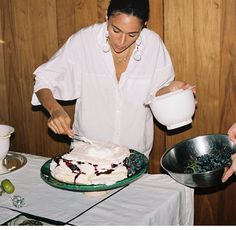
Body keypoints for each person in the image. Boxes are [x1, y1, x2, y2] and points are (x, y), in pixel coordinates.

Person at [31, 0, 194, 157]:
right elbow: (44, 79)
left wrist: (172, 90)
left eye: (132, 34)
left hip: (133, 153)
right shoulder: (84, 41)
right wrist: (55, 110)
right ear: (106, 18)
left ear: (144, 25)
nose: (122, 42)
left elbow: (156, 93)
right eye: (116, 30)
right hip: (87, 151)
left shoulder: (153, 46)